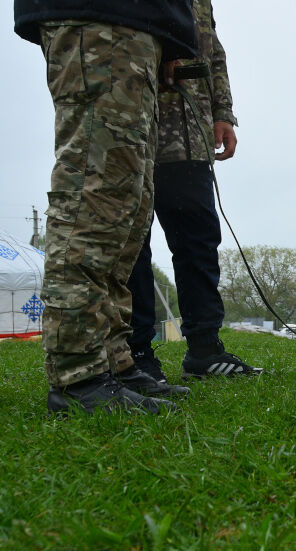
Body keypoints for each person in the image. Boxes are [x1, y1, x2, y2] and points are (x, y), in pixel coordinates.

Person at [14, 1, 197, 414]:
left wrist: (168, 40)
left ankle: (112, 360)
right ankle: (78, 375)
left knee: (127, 211)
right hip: (101, 17)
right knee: (95, 197)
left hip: (135, 26)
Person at [125, 0, 263, 381]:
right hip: (134, 122)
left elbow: (214, 54)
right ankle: (136, 353)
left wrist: (223, 112)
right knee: (132, 242)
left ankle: (204, 349)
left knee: (199, 241)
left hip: (191, 134)